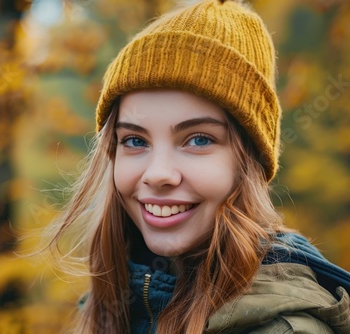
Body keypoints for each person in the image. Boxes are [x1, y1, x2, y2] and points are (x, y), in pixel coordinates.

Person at [46, 0, 350, 332]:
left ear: (249, 162)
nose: (158, 173)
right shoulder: (114, 305)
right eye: (135, 140)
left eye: (199, 139)